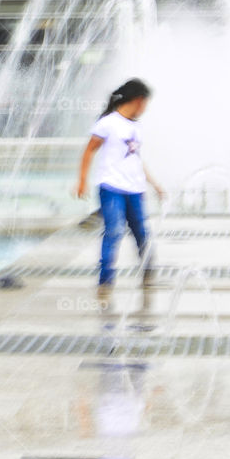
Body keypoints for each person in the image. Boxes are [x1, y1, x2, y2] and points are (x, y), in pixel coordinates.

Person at [76, 78, 165, 300]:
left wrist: (154, 184)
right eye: (145, 103)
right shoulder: (108, 123)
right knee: (113, 231)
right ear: (137, 101)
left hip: (135, 189)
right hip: (111, 187)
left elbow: (135, 158)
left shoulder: (136, 127)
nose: (145, 109)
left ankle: (148, 273)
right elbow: (89, 151)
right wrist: (82, 181)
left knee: (142, 233)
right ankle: (105, 281)